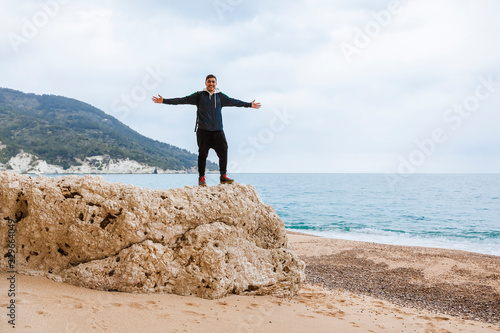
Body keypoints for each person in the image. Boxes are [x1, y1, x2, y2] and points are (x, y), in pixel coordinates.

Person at [152, 74, 261, 186]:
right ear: (205, 83)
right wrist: (164, 100)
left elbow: (235, 102)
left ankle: (223, 176)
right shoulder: (199, 96)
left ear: (216, 84)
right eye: (209, 81)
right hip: (203, 131)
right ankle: (202, 178)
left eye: (213, 82)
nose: (211, 84)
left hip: (218, 130)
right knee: (202, 154)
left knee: (224, 151)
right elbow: (182, 100)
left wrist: (249, 104)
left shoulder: (220, 97)